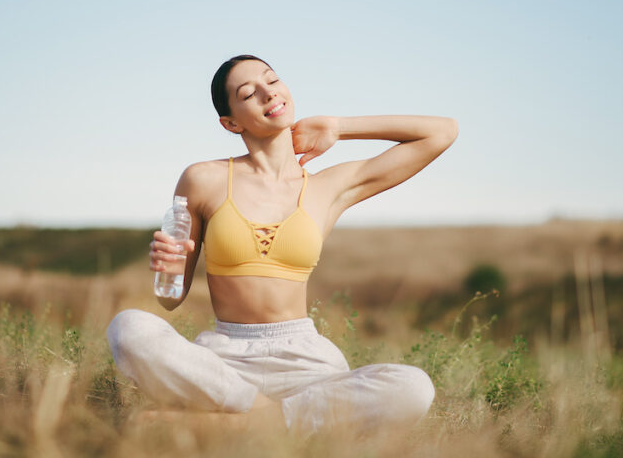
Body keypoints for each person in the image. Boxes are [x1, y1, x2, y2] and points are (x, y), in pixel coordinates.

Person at [107, 55, 459, 435]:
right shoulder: (202, 179)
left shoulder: (327, 188)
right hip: (225, 361)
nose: (267, 93)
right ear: (231, 122)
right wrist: (167, 267)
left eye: (272, 80)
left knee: (412, 388)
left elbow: (442, 132)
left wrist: (338, 127)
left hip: (306, 363)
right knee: (129, 329)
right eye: (248, 93)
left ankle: (232, 429)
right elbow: (170, 300)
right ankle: (276, 422)